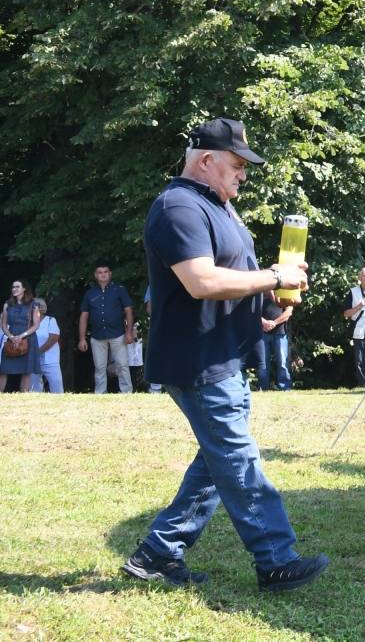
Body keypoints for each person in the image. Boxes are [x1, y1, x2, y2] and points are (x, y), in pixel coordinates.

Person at [123, 117, 328, 592]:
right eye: (236, 164)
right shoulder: (178, 207)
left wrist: (267, 306)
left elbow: (239, 274)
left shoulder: (219, 207)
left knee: (217, 460)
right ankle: (276, 559)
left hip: (223, 353)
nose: (242, 174)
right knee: (236, 458)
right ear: (206, 159)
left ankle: (158, 552)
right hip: (197, 360)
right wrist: (276, 277)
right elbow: (203, 281)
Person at [77, 262, 135, 393]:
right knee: (99, 367)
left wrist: (129, 332)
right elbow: (84, 316)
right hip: (97, 335)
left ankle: (127, 392)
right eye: (100, 272)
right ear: (95, 275)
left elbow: (129, 311)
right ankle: (100, 393)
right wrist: (82, 338)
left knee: (122, 364)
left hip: (118, 333)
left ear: (110, 274)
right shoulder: (90, 293)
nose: (103, 275)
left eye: (105, 272)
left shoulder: (119, 289)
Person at [3, 280, 41, 392]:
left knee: (26, 370)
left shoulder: (34, 304)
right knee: (4, 369)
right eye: (13, 287)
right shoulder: (7, 304)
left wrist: (21, 336)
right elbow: (4, 325)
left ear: (24, 289)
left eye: (17, 287)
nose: (14, 289)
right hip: (11, 338)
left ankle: (24, 394)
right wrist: (11, 337)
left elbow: (36, 325)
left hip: (28, 339)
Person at [252, 294, 294, 391]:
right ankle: (263, 388)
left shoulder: (284, 292)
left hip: (280, 333)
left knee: (282, 362)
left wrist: (274, 323)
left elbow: (288, 312)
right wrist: (264, 322)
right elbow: (252, 311)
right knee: (262, 363)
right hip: (261, 333)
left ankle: (285, 388)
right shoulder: (259, 293)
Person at [32, 297, 63, 393]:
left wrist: (38, 351)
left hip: (51, 360)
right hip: (33, 360)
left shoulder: (50, 320)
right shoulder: (29, 323)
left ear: (40, 308)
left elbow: (53, 338)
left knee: (56, 386)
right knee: (34, 389)